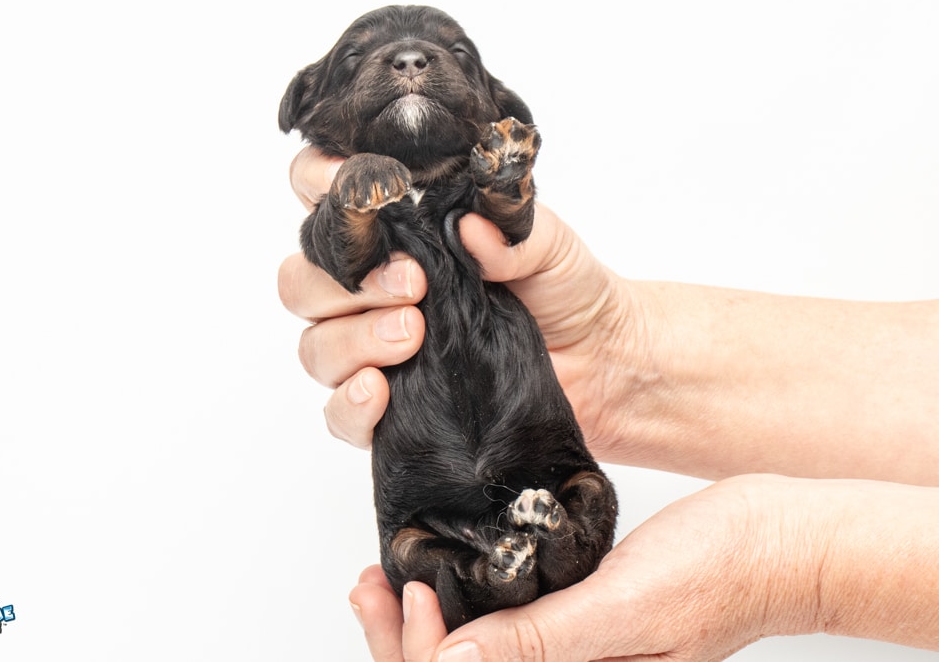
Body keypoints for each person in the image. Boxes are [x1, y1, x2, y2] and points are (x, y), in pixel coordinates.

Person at [278, 145, 939, 662]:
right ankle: (494, 562)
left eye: (448, 53)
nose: (410, 64)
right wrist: (615, 354)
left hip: (510, 496)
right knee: (423, 554)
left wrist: (803, 570)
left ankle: (516, 554)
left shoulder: (461, 190)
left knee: (574, 505)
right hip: (449, 513)